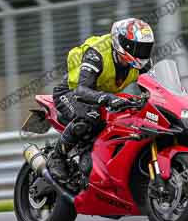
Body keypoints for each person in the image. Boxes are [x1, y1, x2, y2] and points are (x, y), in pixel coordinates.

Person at [48, 18, 155, 179]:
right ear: (122, 43)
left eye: (145, 48)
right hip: (71, 93)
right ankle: (57, 158)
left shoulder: (142, 63)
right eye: (138, 48)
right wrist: (109, 98)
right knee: (91, 118)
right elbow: (81, 91)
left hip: (101, 98)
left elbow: (154, 89)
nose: (142, 52)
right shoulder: (96, 54)